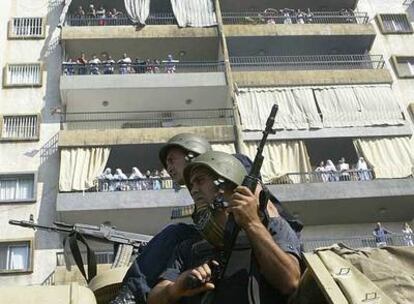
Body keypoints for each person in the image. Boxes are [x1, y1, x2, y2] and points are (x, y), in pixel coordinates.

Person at [148, 151, 301, 304]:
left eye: (200, 180)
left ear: (226, 182)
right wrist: (177, 288)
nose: (193, 190)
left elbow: (290, 282)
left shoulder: (271, 227)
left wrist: (251, 224)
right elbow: (154, 298)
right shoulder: (190, 246)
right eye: (191, 184)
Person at [110, 134, 213, 304]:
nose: (169, 167)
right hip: (205, 242)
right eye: (167, 164)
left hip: (233, 234)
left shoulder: (229, 167)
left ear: (192, 154)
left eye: (172, 160)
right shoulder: (194, 193)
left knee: (175, 232)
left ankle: (130, 296)